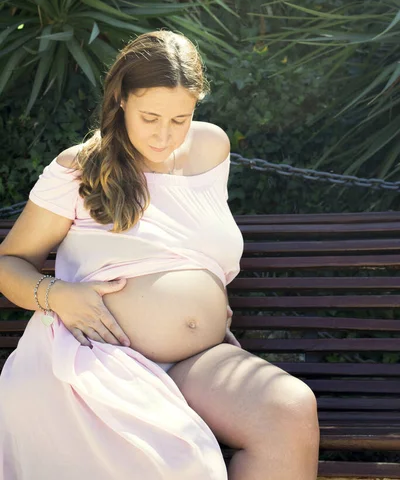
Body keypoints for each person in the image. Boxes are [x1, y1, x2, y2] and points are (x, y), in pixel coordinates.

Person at [0, 30, 319, 480]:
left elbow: (190, 242)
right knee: (167, 455)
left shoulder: (212, 149)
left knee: (289, 406)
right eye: (150, 117)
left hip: (197, 359)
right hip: (102, 353)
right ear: (121, 100)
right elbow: (8, 262)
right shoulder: (80, 168)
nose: (164, 135)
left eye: (180, 119)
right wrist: (58, 294)